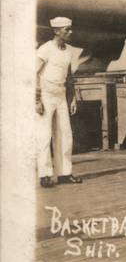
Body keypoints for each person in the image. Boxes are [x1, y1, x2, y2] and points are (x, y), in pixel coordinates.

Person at [36, 17, 82, 188]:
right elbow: (33, 74)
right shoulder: (45, 49)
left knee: (65, 134)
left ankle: (64, 173)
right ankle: (45, 175)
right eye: (66, 29)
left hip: (61, 95)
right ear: (56, 31)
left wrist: (72, 98)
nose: (70, 32)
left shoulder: (69, 51)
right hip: (45, 95)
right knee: (44, 135)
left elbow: (69, 77)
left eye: (70, 29)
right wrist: (36, 100)